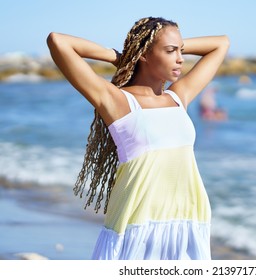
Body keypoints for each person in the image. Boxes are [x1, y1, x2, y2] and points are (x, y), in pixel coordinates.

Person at [47, 16, 229, 260]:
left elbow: (221, 44)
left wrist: (170, 42)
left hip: (187, 223)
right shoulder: (118, 101)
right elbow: (58, 41)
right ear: (145, 54)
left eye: (181, 50)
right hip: (138, 229)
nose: (180, 58)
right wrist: (121, 55)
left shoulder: (178, 97)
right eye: (170, 51)